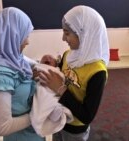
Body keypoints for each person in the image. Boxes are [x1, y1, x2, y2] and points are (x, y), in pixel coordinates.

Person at [37, 5, 110, 141]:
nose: (63, 39)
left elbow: (87, 115)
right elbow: (64, 72)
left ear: (84, 33)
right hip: (58, 119)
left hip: (75, 130)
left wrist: (61, 90)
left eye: (67, 33)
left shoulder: (97, 72)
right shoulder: (68, 54)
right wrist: (54, 65)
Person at [0, 7, 44, 141]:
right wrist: (36, 116)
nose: (28, 41)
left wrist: (41, 64)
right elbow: (3, 127)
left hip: (33, 132)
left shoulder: (12, 57)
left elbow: (29, 62)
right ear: (11, 35)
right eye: (25, 35)